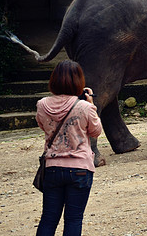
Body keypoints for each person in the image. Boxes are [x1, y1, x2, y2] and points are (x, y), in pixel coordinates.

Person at [36, 60, 102, 235]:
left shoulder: (42, 105)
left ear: (54, 80)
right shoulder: (85, 107)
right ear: (79, 81)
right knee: (73, 219)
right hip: (80, 169)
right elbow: (96, 131)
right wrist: (90, 103)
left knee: (48, 219)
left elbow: (43, 126)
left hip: (53, 168)